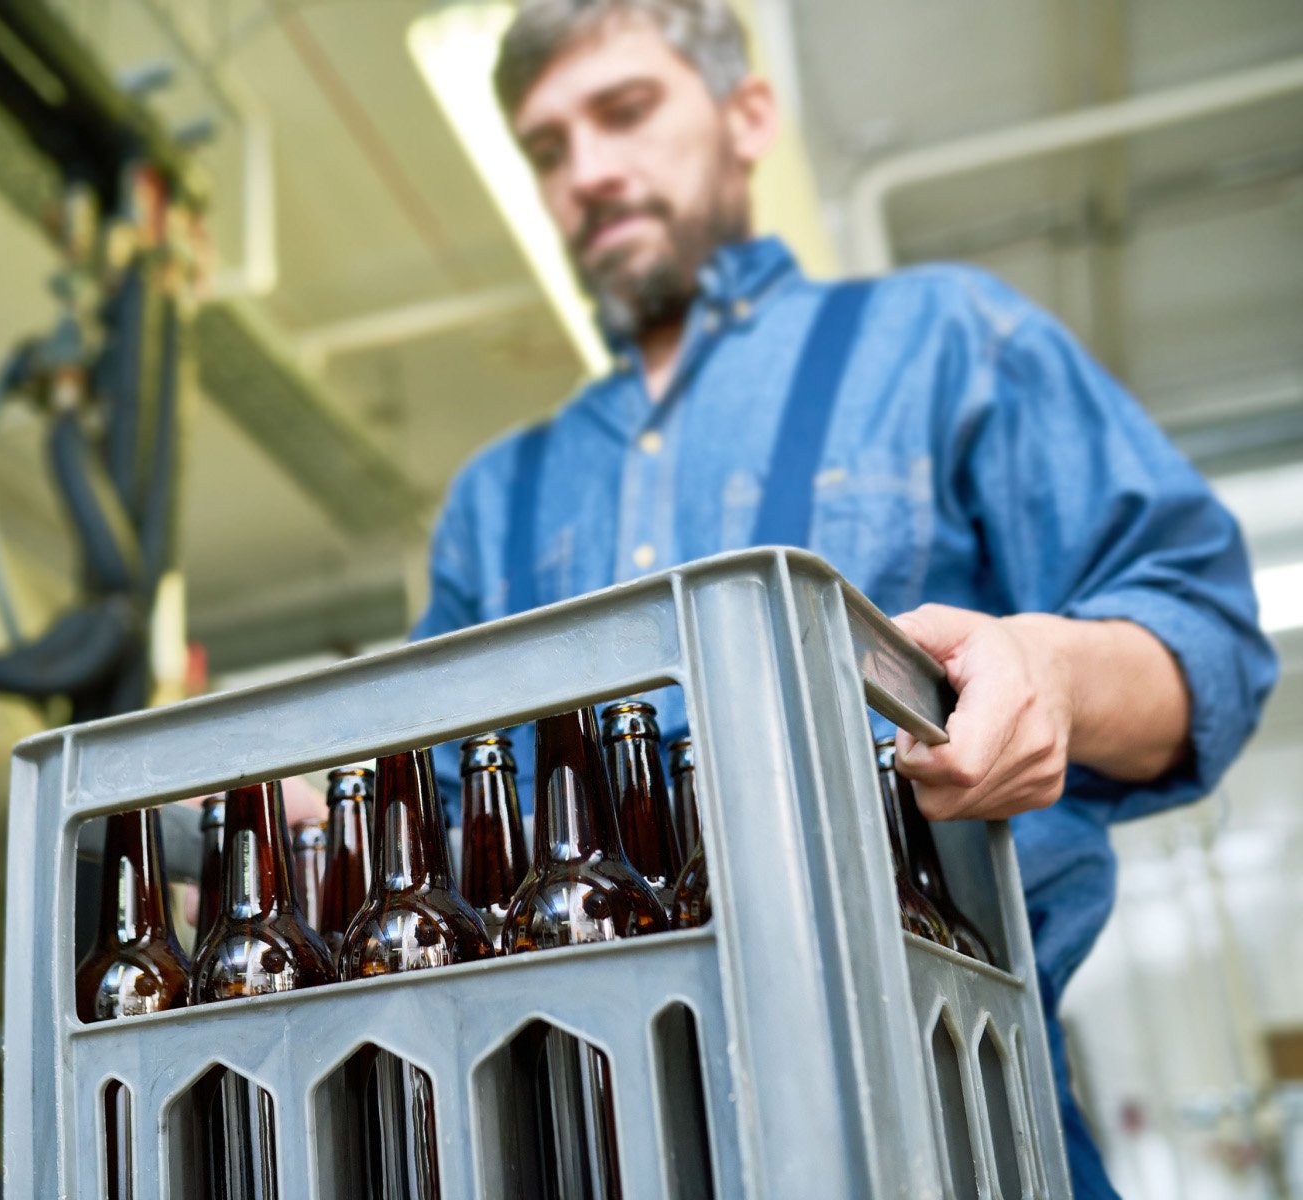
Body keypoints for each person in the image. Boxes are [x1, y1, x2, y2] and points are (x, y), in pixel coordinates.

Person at [411, 0, 1278, 1193]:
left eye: (624, 111)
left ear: (746, 114)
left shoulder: (945, 342)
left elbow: (1207, 638)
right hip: (579, 1151)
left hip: (956, 1131)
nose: (588, 172)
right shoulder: (491, 501)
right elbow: (432, 814)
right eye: (548, 148)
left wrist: (1052, 672)